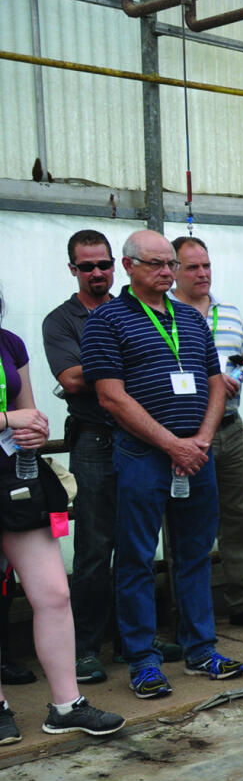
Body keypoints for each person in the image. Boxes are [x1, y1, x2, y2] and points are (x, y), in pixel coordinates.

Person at [80, 229, 243, 698]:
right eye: (156, 264)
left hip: (196, 456)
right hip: (143, 457)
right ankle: (143, 660)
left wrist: (202, 440)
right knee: (134, 559)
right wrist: (172, 444)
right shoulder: (107, 321)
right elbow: (111, 398)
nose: (167, 272)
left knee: (194, 555)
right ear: (129, 267)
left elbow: (217, 382)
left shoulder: (191, 320)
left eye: (170, 264)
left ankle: (200, 650)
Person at [0, 305, 125, 742]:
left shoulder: (8, 342)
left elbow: (26, 410)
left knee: (53, 592)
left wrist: (32, 428)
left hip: (14, 479)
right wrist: (7, 419)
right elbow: (10, 415)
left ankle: (67, 705)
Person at [42, 229, 148, 685]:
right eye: (87, 266)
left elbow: (156, 362)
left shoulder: (137, 308)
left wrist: (104, 362)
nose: (97, 273)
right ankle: (86, 648)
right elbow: (70, 379)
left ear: (116, 264)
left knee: (137, 544)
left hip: (140, 437)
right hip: (93, 440)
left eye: (104, 264)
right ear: (73, 270)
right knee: (92, 548)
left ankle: (133, 641)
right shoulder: (60, 320)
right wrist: (124, 356)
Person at [169, 235, 243, 630]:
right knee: (189, 523)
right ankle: (191, 611)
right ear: (173, 271)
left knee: (240, 517)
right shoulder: (165, 315)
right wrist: (213, 381)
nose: (202, 274)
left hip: (231, 429)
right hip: (185, 434)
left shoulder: (231, 313)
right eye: (192, 267)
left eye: (206, 265)